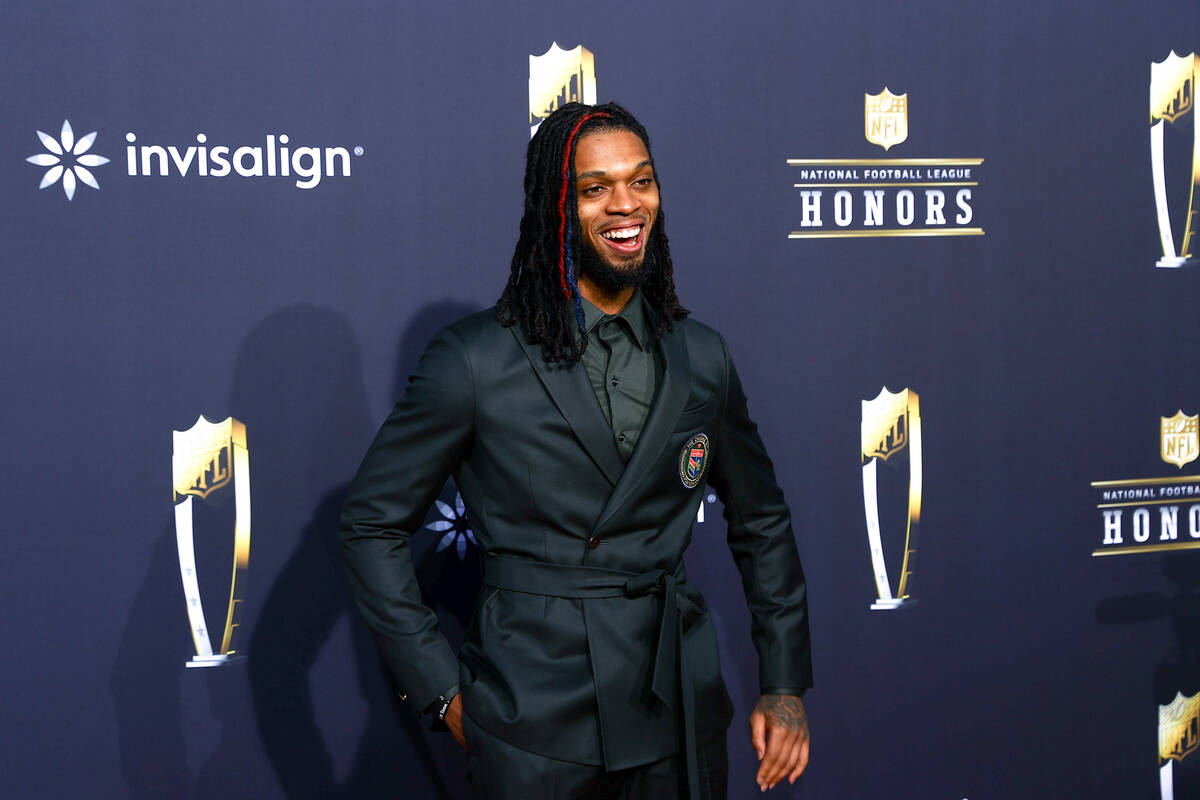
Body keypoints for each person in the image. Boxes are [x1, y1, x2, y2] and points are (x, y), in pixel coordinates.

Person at [339, 101, 812, 799]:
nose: (627, 205)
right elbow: (370, 524)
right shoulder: (476, 358)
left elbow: (762, 519)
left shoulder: (702, 355)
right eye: (596, 189)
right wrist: (442, 693)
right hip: (533, 716)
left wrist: (783, 684)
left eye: (641, 181)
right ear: (555, 206)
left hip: (675, 710)